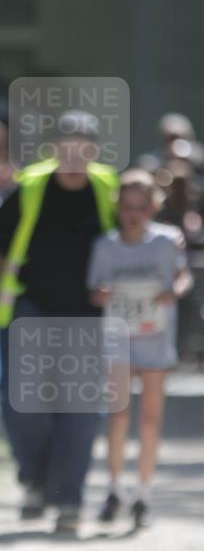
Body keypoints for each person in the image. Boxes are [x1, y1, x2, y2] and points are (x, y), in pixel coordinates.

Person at [0, 111, 119, 534]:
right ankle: (36, 480)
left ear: (95, 151)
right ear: (53, 149)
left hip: (88, 319)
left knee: (79, 411)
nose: (74, 157)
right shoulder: (28, 188)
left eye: (83, 148)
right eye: (66, 148)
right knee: (22, 407)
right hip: (29, 312)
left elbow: (127, 247)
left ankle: (68, 499)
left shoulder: (108, 189)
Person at [87, 170, 193, 528]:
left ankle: (144, 493)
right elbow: (93, 289)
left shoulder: (165, 242)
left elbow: (182, 275)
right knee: (118, 416)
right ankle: (114, 488)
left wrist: (173, 292)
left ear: (152, 208)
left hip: (155, 338)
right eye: (127, 207)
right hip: (118, 339)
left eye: (141, 207)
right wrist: (101, 294)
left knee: (150, 419)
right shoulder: (105, 246)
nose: (133, 215)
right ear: (118, 208)